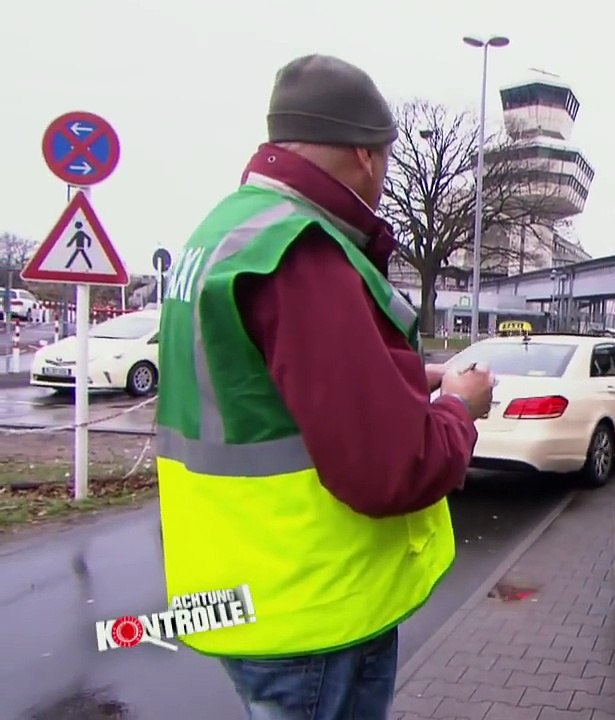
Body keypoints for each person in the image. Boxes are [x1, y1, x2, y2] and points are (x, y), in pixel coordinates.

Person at [154, 54, 494, 720]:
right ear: (367, 155)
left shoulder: (222, 234)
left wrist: (397, 376)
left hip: (234, 583)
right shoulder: (303, 251)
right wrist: (459, 404)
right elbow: (391, 469)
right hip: (313, 608)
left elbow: (257, 387)